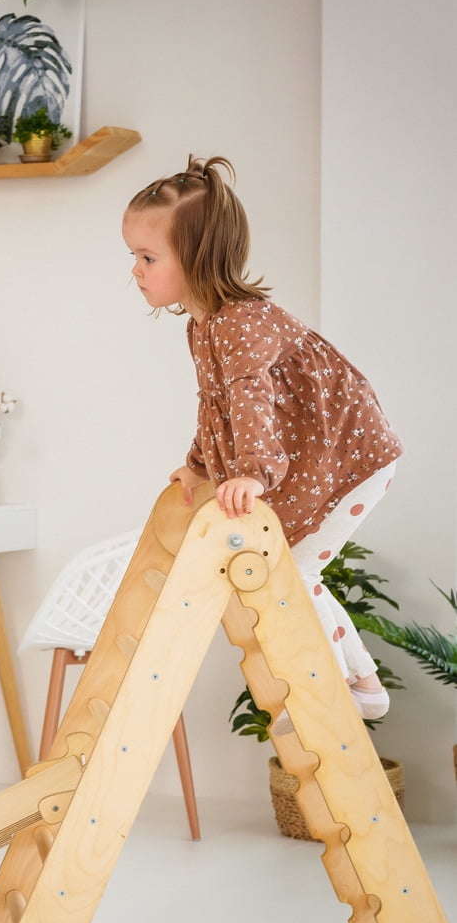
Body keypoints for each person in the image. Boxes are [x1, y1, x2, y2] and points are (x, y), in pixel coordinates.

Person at [122, 155, 402, 720]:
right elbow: (217, 403)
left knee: (291, 572)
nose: (136, 270)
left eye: (148, 257)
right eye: (134, 257)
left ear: (197, 258)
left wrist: (252, 471)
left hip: (353, 457)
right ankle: (364, 685)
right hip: (327, 458)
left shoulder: (240, 322)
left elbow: (251, 395)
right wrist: (200, 463)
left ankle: (344, 692)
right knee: (293, 570)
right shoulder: (203, 325)